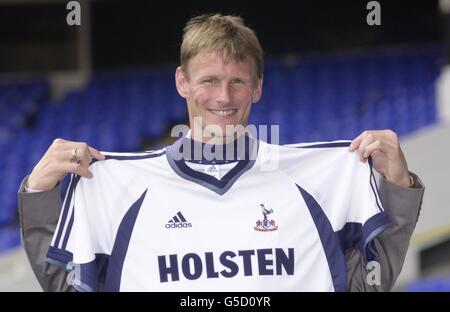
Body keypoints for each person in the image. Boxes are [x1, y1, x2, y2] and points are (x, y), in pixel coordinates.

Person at [18, 14, 424, 292]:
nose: (224, 97)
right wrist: (38, 195)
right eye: (209, 80)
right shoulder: (120, 187)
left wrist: (398, 188)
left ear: (258, 87)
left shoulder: (314, 180)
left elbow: (367, 284)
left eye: (238, 82)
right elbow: (70, 286)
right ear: (182, 82)